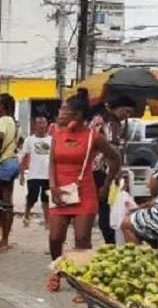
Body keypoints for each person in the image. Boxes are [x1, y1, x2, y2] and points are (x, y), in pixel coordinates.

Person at [48, 89, 121, 293]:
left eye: (64, 110)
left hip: (85, 192)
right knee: (55, 237)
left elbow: (115, 159)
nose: (59, 113)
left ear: (77, 115)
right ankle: (57, 270)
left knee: (82, 237)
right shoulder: (57, 132)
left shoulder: (93, 137)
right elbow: (51, 162)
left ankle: (82, 282)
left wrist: (106, 184)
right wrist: (52, 186)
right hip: (59, 191)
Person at [90, 94, 137, 245]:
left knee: (101, 207)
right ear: (118, 107)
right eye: (126, 111)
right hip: (104, 171)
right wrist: (116, 172)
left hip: (93, 169)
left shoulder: (99, 118)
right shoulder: (112, 123)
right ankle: (110, 243)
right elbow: (112, 150)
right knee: (106, 209)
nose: (127, 115)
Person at [0, 93, 19, 252]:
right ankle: (5, 240)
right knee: (7, 203)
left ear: (2, 107)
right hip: (13, 162)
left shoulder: (2, 120)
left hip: (2, 163)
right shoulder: (13, 121)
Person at [20, 116, 52, 229]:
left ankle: (48, 221)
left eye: (44, 123)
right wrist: (21, 175)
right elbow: (24, 157)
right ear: (35, 125)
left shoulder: (51, 140)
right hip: (34, 174)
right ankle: (26, 214)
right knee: (32, 197)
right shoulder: (29, 140)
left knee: (46, 198)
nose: (42, 126)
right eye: (40, 123)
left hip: (48, 175)